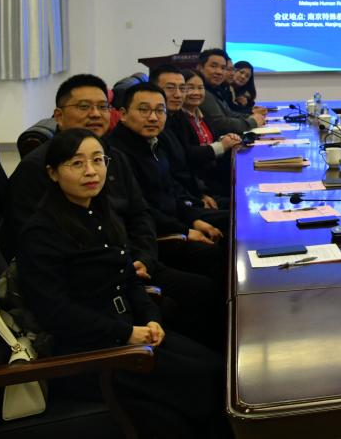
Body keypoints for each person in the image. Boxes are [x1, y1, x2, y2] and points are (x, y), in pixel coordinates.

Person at [17, 128, 225, 437]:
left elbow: (127, 279)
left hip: (128, 332)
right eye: (77, 163)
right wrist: (126, 333)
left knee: (220, 369)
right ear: (53, 173)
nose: (91, 171)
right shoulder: (41, 233)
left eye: (98, 160)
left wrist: (151, 318)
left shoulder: (101, 212)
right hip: (91, 354)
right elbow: (56, 313)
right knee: (206, 383)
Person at [7, 74, 222, 351]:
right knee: (201, 293)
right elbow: (42, 257)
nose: (96, 114)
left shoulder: (112, 156)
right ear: (59, 115)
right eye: (84, 107)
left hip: (130, 263)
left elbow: (139, 213)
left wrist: (144, 258)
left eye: (102, 107)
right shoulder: (36, 169)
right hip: (97, 285)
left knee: (211, 284)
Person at [104, 84, 227, 284]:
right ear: (123, 114)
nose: (153, 117)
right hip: (156, 237)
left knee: (234, 224)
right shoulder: (117, 154)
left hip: (175, 219)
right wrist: (186, 230)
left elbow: (170, 190)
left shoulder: (154, 142)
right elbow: (143, 209)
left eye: (160, 111)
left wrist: (193, 220)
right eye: (144, 110)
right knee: (217, 257)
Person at [151, 64, 240, 201]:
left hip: (195, 189)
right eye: (170, 88)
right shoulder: (165, 124)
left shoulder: (179, 117)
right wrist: (200, 196)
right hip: (188, 194)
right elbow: (185, 161)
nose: (178, 94)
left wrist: (226, 139)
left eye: (182, 88)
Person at [196, 48, 266, 135]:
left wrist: (251, 116)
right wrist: (252, 122)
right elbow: (221, 123)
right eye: (213, 66)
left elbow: (229, 113)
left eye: (223, 68)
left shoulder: (215, 89)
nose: (219, 72)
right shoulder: (201, 91)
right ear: (200, 68)